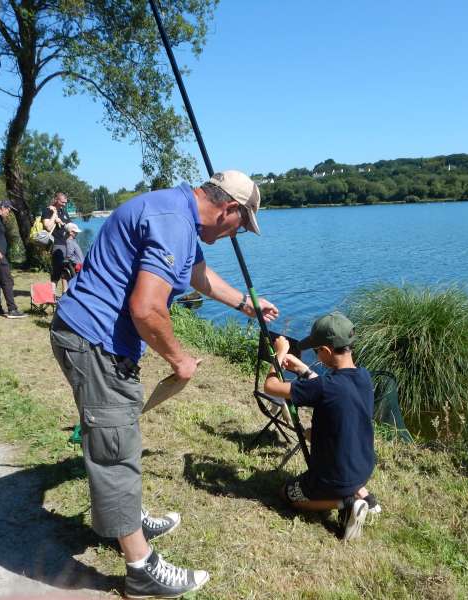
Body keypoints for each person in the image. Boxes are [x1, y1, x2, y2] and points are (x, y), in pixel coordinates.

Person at [50, 170, 278, 598]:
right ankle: (141, 570)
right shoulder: (174, 220)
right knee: (115, 448)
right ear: (228, 208)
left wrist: (246, 304)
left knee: (118, 434)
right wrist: (179, 359)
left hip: (91, 335)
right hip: (93, 339)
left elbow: (196, 273)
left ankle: (126, 517)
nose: (237, 234)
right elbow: (147, 308)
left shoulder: (177, 212)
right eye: (241, 225)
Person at [263, 312, 378, 542]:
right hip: (364, 466)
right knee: (311, 434)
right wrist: (302, 369)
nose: (315, 354)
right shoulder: (364, 377)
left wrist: (280, 353)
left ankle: (346, 502)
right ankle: (366, 497)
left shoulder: (325, 387)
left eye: (316, 350)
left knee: (286, 494)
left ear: (325, 351)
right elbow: (327, 389)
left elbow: (271, 387)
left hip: (332, 477)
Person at [41, 192, 71, 295]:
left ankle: (65, 294)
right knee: (57, 270)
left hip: (66, 243)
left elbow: (68, 227)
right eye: (62, 202)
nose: (64, 204)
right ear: (56, 200)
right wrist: (55, 216)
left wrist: (64, 224)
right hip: (56, 244)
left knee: (66, 270)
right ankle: (51, 294)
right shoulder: (48, 210)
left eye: (65, 202)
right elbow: (47, 227)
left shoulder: (64, 211)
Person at [61, 222, 84, 291]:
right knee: (77, 283)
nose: (77, 233)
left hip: (80, 265)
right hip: (77, 266)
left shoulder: (73, 241)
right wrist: (76, 263)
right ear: (71, 232)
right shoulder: (69, 242)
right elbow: (69, 256)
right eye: (75, 232)